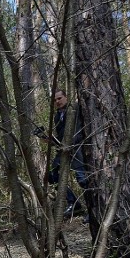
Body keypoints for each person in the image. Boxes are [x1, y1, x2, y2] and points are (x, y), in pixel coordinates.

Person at [38, 89, 88, 220]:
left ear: (66, 97)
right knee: (52, 176)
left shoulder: (76, 108)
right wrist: (47, 138)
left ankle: (92, 210)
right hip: (63, 151)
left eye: (59, 98)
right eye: (54, 100)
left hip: (77, 148)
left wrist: (73, 143)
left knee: (83, 180)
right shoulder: (56, 117)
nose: (57, 102)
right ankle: (74, 203)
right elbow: (59, 140)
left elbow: (81, 129)